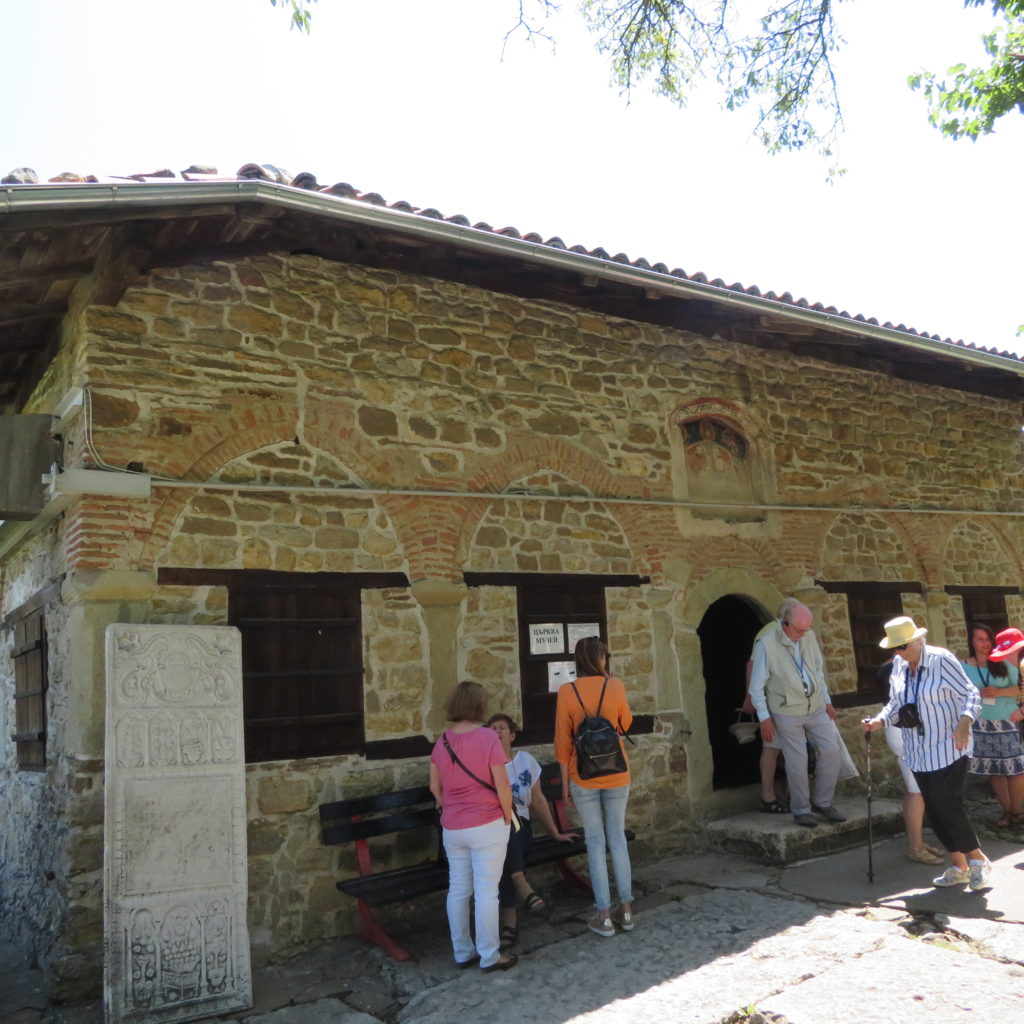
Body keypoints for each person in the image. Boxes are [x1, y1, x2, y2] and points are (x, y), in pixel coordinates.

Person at [863, 616, 992, 890]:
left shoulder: (940, 659)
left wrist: (964, 722)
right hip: (918, 751)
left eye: (901, 647)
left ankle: (978, 859)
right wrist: (879, 721)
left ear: (916, 641)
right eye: (894, 649)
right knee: (933, 809)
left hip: (950, 745)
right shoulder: (899, 664)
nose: (897, 653)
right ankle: (960, 866)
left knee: (946, 802)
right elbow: (896, 703)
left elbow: (971, 694)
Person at [429, 681, 517, 972]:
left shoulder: (441, 743)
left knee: (458, 889)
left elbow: (434, 788)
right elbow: (501, 783)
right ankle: (491, 955)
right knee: (486, 891)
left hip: (453, 826)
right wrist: (507, 814)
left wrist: (449, 807)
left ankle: (462, 952)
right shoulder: (488, 738)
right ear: (480, 705)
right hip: (487, 822)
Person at [555, 635, 634, 938]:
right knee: (617, 839)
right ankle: (625, 909)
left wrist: (564, 787)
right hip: (617, 773)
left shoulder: (566, 692)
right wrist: (612, 687)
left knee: (595, 844)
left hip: (582, 775)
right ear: (601, 659)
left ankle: (603, 916)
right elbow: (625, 724)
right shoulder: (614, 685)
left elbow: (562, 743)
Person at [748, 598, 844, 828]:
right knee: (797, 760)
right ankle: (801, 810)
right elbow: (756, 685)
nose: (804, 634)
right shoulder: (766, 643)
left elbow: (818, 671)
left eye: (807, 629)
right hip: (786, 710)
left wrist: (827, 700)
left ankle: (822, 802)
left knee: (832, 751)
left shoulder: (808, 636)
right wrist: (764, 717)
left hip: (815, 707)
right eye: (800, 630)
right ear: (784, 623)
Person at [487, 713, 579, 950]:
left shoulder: (525, 761)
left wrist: (555, 833)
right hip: (494, 830)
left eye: (501, 728)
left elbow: (538, 799)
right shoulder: (485, 766)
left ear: (512, 735)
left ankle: (510, 922)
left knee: (508, 844)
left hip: (520, 829)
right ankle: (520, 881)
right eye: (492, 729)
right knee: (502, 849)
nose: (496, 732)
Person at [878, 656, 945, 865]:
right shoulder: (898, 668)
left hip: (899, 730)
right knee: (918, 792)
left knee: (913, 790)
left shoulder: (886, 666)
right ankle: (915, 848)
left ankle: (916, 842)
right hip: (906, 732)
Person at [962, 623, 1024, 826]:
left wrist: (999, 692)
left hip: (1006, 720)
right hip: (981, 723)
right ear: (972, 641)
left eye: (987, 639)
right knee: (995, 769)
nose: (984, 644)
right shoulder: (963, 666)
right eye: (979, 639)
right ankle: (1007, 812)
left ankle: (1017, 810)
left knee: (1015, 768)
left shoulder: (1001, 662)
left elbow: (1019, 688)